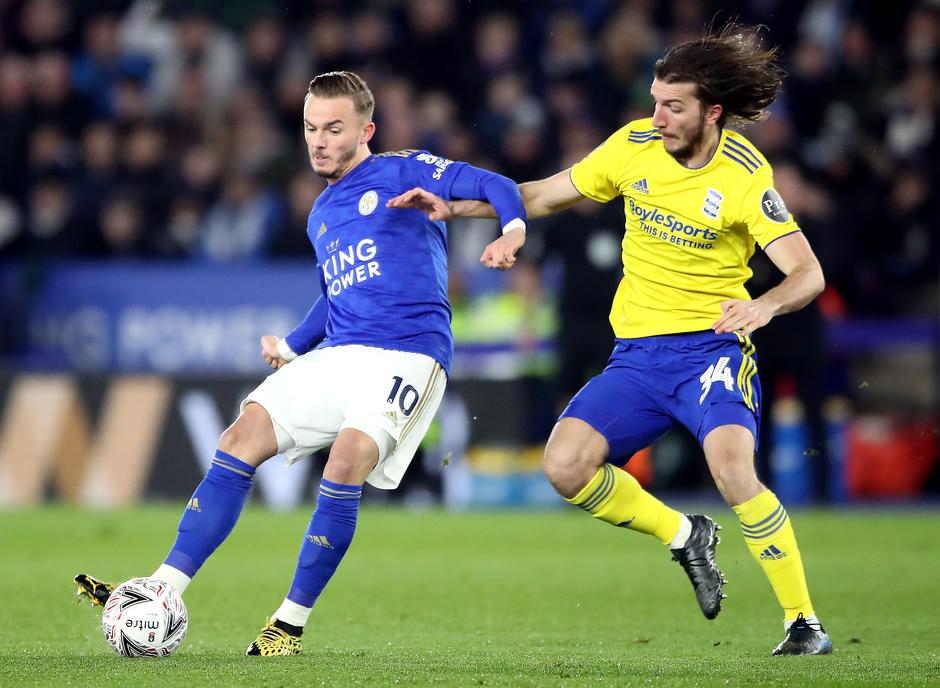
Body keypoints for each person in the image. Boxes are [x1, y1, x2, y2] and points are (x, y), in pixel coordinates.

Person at [389, 25, 832, 656]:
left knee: (734, 472)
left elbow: (807, 273)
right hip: (637, 360)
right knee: (563, 467)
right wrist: (458, 208)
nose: (657, 117)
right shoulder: (634, 146)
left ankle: (803, 622)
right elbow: (543, 195)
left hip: (710, 353)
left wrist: (763, 307)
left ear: (712, 112)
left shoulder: (744, 175)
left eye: (673, 106)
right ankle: (685, 536)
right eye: (654, 101)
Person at [75, 70, 528, 656]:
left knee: (345, 460)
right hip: (340, 352)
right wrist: (292, 347)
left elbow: (495, 183)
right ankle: (162, 590)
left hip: (409, 352)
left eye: (334, 129)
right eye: (311, 128)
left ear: (367, 129)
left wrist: (512, 231)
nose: (319, 140)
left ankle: (287, 624)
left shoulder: (403, 168)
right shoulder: (320, 212)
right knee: (241, 435)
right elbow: (334, 295)